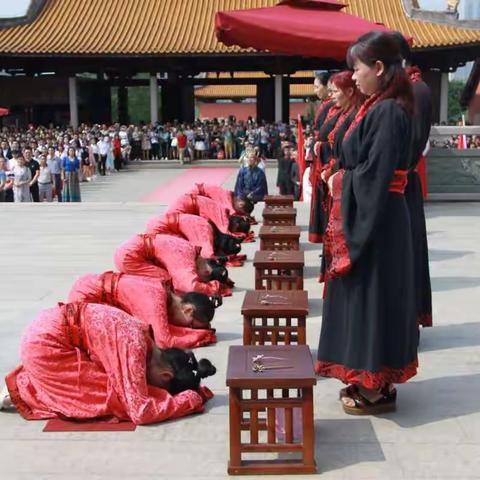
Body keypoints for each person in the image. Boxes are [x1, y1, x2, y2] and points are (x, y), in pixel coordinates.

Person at [316, 31, 418, 415]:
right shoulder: (377, 106)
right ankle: (369, 378)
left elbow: (375, 174)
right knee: (369, 299)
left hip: (378, 219)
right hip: (374, 212)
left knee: (374, 299)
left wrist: (338, 180)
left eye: (356, 69)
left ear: (378, 68)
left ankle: (375, 387)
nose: (352, 77)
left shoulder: (389, 111)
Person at [2, 302, 216, 424]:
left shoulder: (145, 342)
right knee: (112, 399)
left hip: (50, 330)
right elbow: (141, 412)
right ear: (165, 377)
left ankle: (39, 382)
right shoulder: (134, 349)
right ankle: (24, 390)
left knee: (118, 389)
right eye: (160, 387)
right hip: (46, 347)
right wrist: (189, 399)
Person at [391, 31, 433, 329]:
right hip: (394, 183)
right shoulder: (402, 88)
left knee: (407, 255)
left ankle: (407, 321)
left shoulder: (417, 90)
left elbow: (413, 144)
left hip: (402, 184)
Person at [68, 272, 218, 348]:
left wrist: (196, 334)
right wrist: (200, 336)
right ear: (188, 310)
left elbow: (163, 331)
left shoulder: (163, 294)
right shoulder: (156, 298)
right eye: (190, 325)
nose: (185, 328)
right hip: (85, 300)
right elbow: (163, 340)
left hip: (89, 285)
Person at [114, 233, 232, 296]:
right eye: (203, 279)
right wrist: (212, 288)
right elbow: (189, 286)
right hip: (129, 258)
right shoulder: (185, 259)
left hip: (130, 249)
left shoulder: (189, 249)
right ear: (206, 272)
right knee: (166, 281)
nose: (198, 278)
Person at [309, 79, 340, 243]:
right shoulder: (327, 106)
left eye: (317, 86)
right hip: (323, 159)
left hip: (331, 162)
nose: (315, 90)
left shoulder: (331, 107)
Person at [145, 212, 242, 260]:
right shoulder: (205, 236)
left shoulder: (209, 229)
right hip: (158, 231)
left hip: (162, 222)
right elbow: (206, 255)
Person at [165, 193, 251, 239]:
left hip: (187, 203)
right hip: (181, 208)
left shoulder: (223, 210)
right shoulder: (224, 211)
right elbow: (224, 229)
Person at [189, 183, 254, 217]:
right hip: (193, 197)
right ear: (241, 204)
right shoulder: (226, 198)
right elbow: (230, 212)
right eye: (240, 211)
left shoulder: (229, 195)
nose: (237, 211)